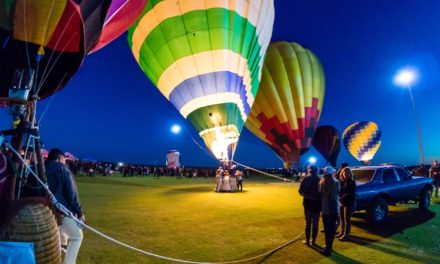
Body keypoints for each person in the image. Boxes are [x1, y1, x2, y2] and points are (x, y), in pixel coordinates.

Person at [46, 149, 84, 264]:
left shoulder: (37, 167)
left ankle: (61, 249)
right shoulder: (62, 169)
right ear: (59, 159)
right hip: (59, 211)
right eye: (64, 160)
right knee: (77, 236)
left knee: (61, 233)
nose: (65, 163)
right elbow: (71, 194)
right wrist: (80, 212)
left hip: (42, 212)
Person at [319, 166, 340, 256]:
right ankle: (329, 247)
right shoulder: (336, 182)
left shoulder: (321, 183)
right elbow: (339, 192)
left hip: (326, 210)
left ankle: (328, 249)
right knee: (331, 230)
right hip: (334, 209)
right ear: (332, 173)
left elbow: (319, 193)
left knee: (328, 230)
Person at [298, 165, 321, 246]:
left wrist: (306, 194)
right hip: (317, 204)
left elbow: (300, 191)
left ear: (309, 170)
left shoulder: (306, 179)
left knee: (308, 223)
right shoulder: (320, 180)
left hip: (307, 202)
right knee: (315, 223)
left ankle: (308, 241)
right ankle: (313, 241)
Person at [337, 167, 356, 241]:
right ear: (342, 173)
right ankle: (342, 232)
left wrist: (341, 197)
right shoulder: (341, 181)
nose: (347, 174)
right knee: (342, 218)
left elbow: (350, 193)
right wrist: (339, 196)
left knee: (347, 219)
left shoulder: (352, 182)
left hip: (349, 202)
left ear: (350, 174)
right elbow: (339, 191)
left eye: (348, 173)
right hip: (342, 202)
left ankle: (346, 235)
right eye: (345, 173)